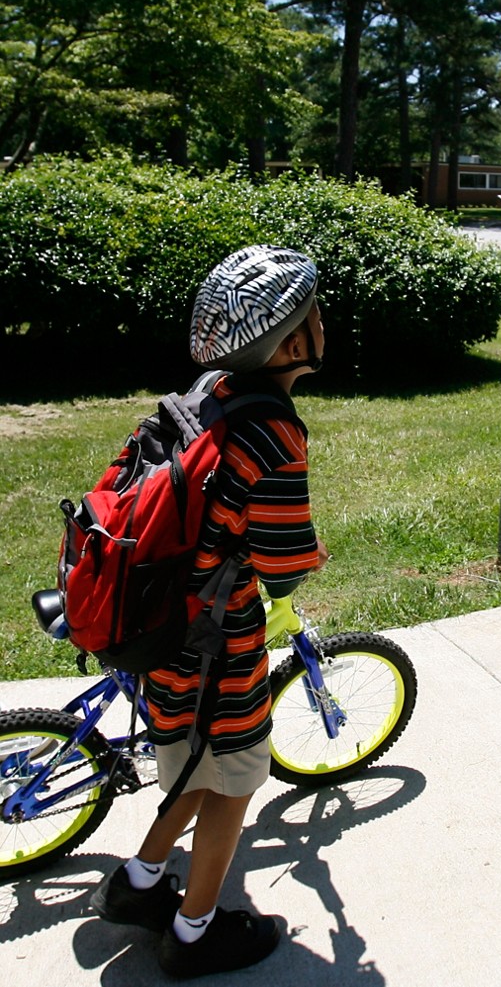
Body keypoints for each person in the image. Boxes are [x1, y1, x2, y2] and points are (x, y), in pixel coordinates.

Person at [90, 245, 329, 978]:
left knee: (196, 768)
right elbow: (284, 567)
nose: (325, 321)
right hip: (217, 650)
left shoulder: (207, 392)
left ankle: (138, 884)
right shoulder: (275, 432)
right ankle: (195, 931)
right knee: (235, 783)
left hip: (160, 634)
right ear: (289, 342)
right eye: (313, 313)